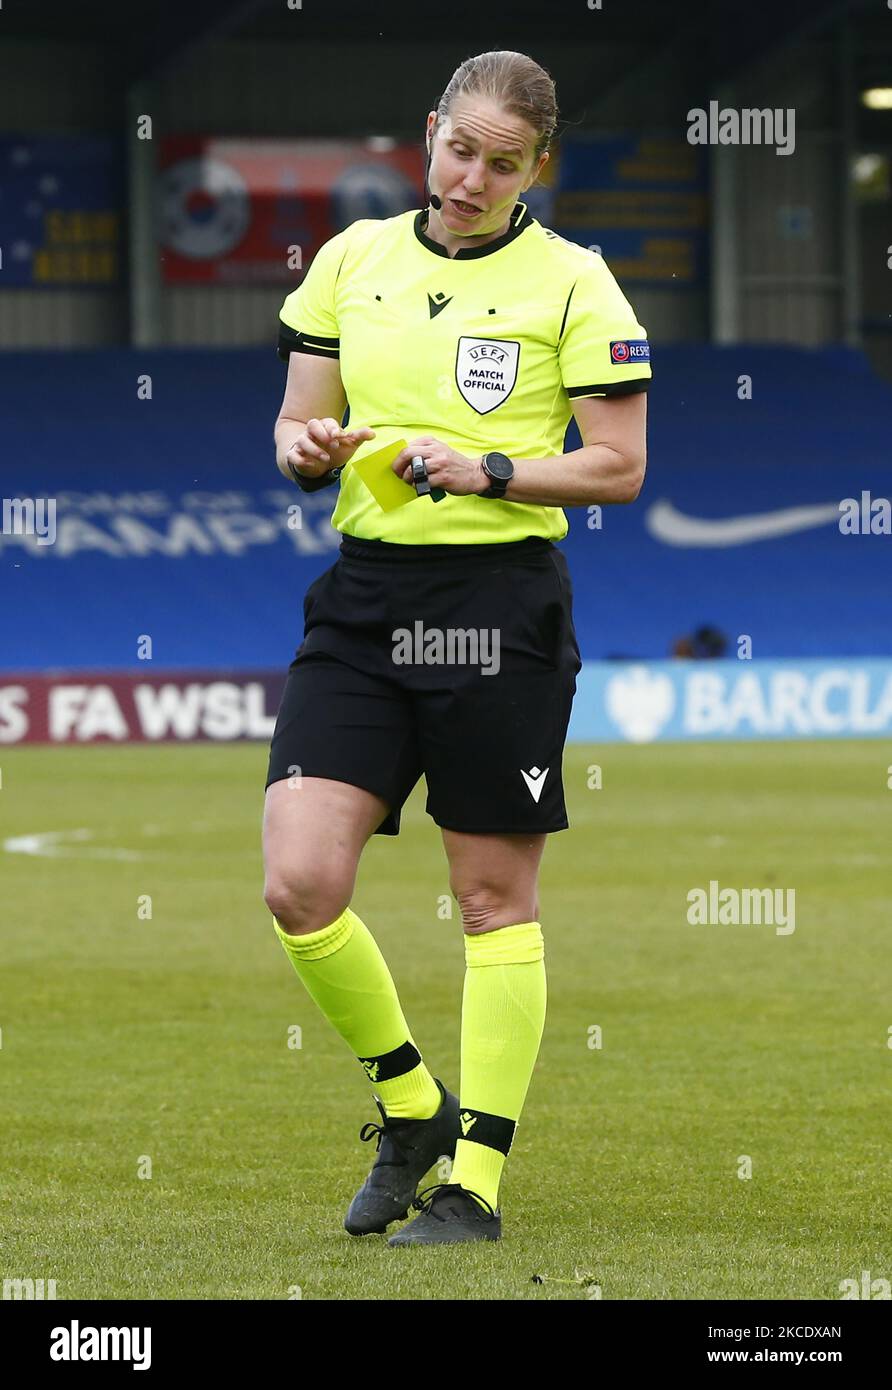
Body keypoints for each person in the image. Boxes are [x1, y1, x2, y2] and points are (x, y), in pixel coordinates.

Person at [263, 49, 650, 1247]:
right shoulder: (350, 259)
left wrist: (489, 466)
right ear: (428, 131)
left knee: (489, 896)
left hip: (500, 605)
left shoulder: (578, 283)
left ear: (539, 167)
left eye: (501, 161)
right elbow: (290, 424)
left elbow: (619, 466)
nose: (470, 178)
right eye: (457, 149)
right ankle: (409, 1103)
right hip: (365, 598)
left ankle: (474, 1177)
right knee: (299, 879)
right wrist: (310, 450)